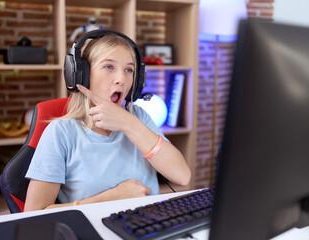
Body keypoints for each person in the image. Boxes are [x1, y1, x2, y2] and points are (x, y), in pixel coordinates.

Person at [24, 32, 191, 211]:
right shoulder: (61, 132)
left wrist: (128, 123)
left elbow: (182, 177)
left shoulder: (139, 118)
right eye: (109, 67)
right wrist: (112, 198)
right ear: (82, 75)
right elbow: (34, 213)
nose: (121, 79)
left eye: (129, 70)